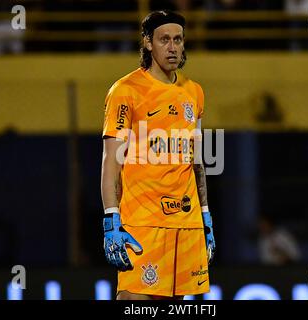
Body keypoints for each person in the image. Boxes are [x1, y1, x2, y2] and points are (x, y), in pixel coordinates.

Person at [101, 10, 215, 300]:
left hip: (186, 226)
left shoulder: (194, 92)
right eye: (164, 40)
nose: (173, 47)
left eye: (178, 39)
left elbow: (196, 161)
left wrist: (205, 216)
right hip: (143, 225)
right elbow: (111, 162)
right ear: (148, 43)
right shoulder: (126, 91)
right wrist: (111, 221)